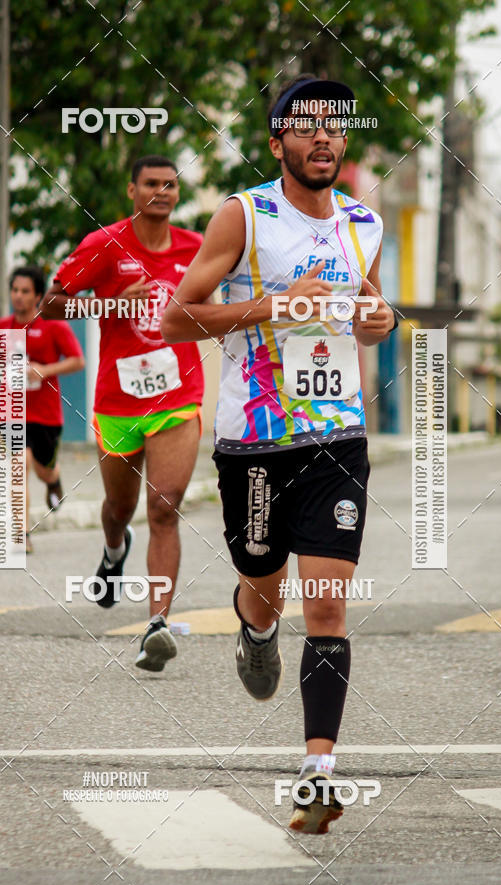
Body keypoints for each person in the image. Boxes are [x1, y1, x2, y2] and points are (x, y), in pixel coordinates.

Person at [161, 76, 397, 833]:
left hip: (338, 437)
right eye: (305, 127)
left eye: (333, 126)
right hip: (255, 443)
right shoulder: (244, 216)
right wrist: (268, 305)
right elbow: (176, 320)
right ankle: (256, 630)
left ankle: (318, 771)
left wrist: (378, 321)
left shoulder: (366, 223)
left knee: (327, 602)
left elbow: (363, 315)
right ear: (278, 144)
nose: (322, 136)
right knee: (262, 583)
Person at [39, 155, 205, 672]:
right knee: (120, 506)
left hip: (177, 394)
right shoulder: (105, 245)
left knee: (164, 505)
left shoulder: (194, 249)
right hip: (117, 399)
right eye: (151, 184)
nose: (161, 192)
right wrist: (111, 305)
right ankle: (115, 550)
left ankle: (156, 625)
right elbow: (51, 305)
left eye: (170, 185)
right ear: (132, 190)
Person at [0, 265, 85, 553]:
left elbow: (77, 361)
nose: (18, 297)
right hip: (14, 411)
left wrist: (45, 370)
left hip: (46, 415)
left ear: (37, 296)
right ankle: (22, 534)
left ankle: (54, 479)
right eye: (14, 290)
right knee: (18, 464)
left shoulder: (53, 325)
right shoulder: (5, 326)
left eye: (25, 291)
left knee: (42, 470)